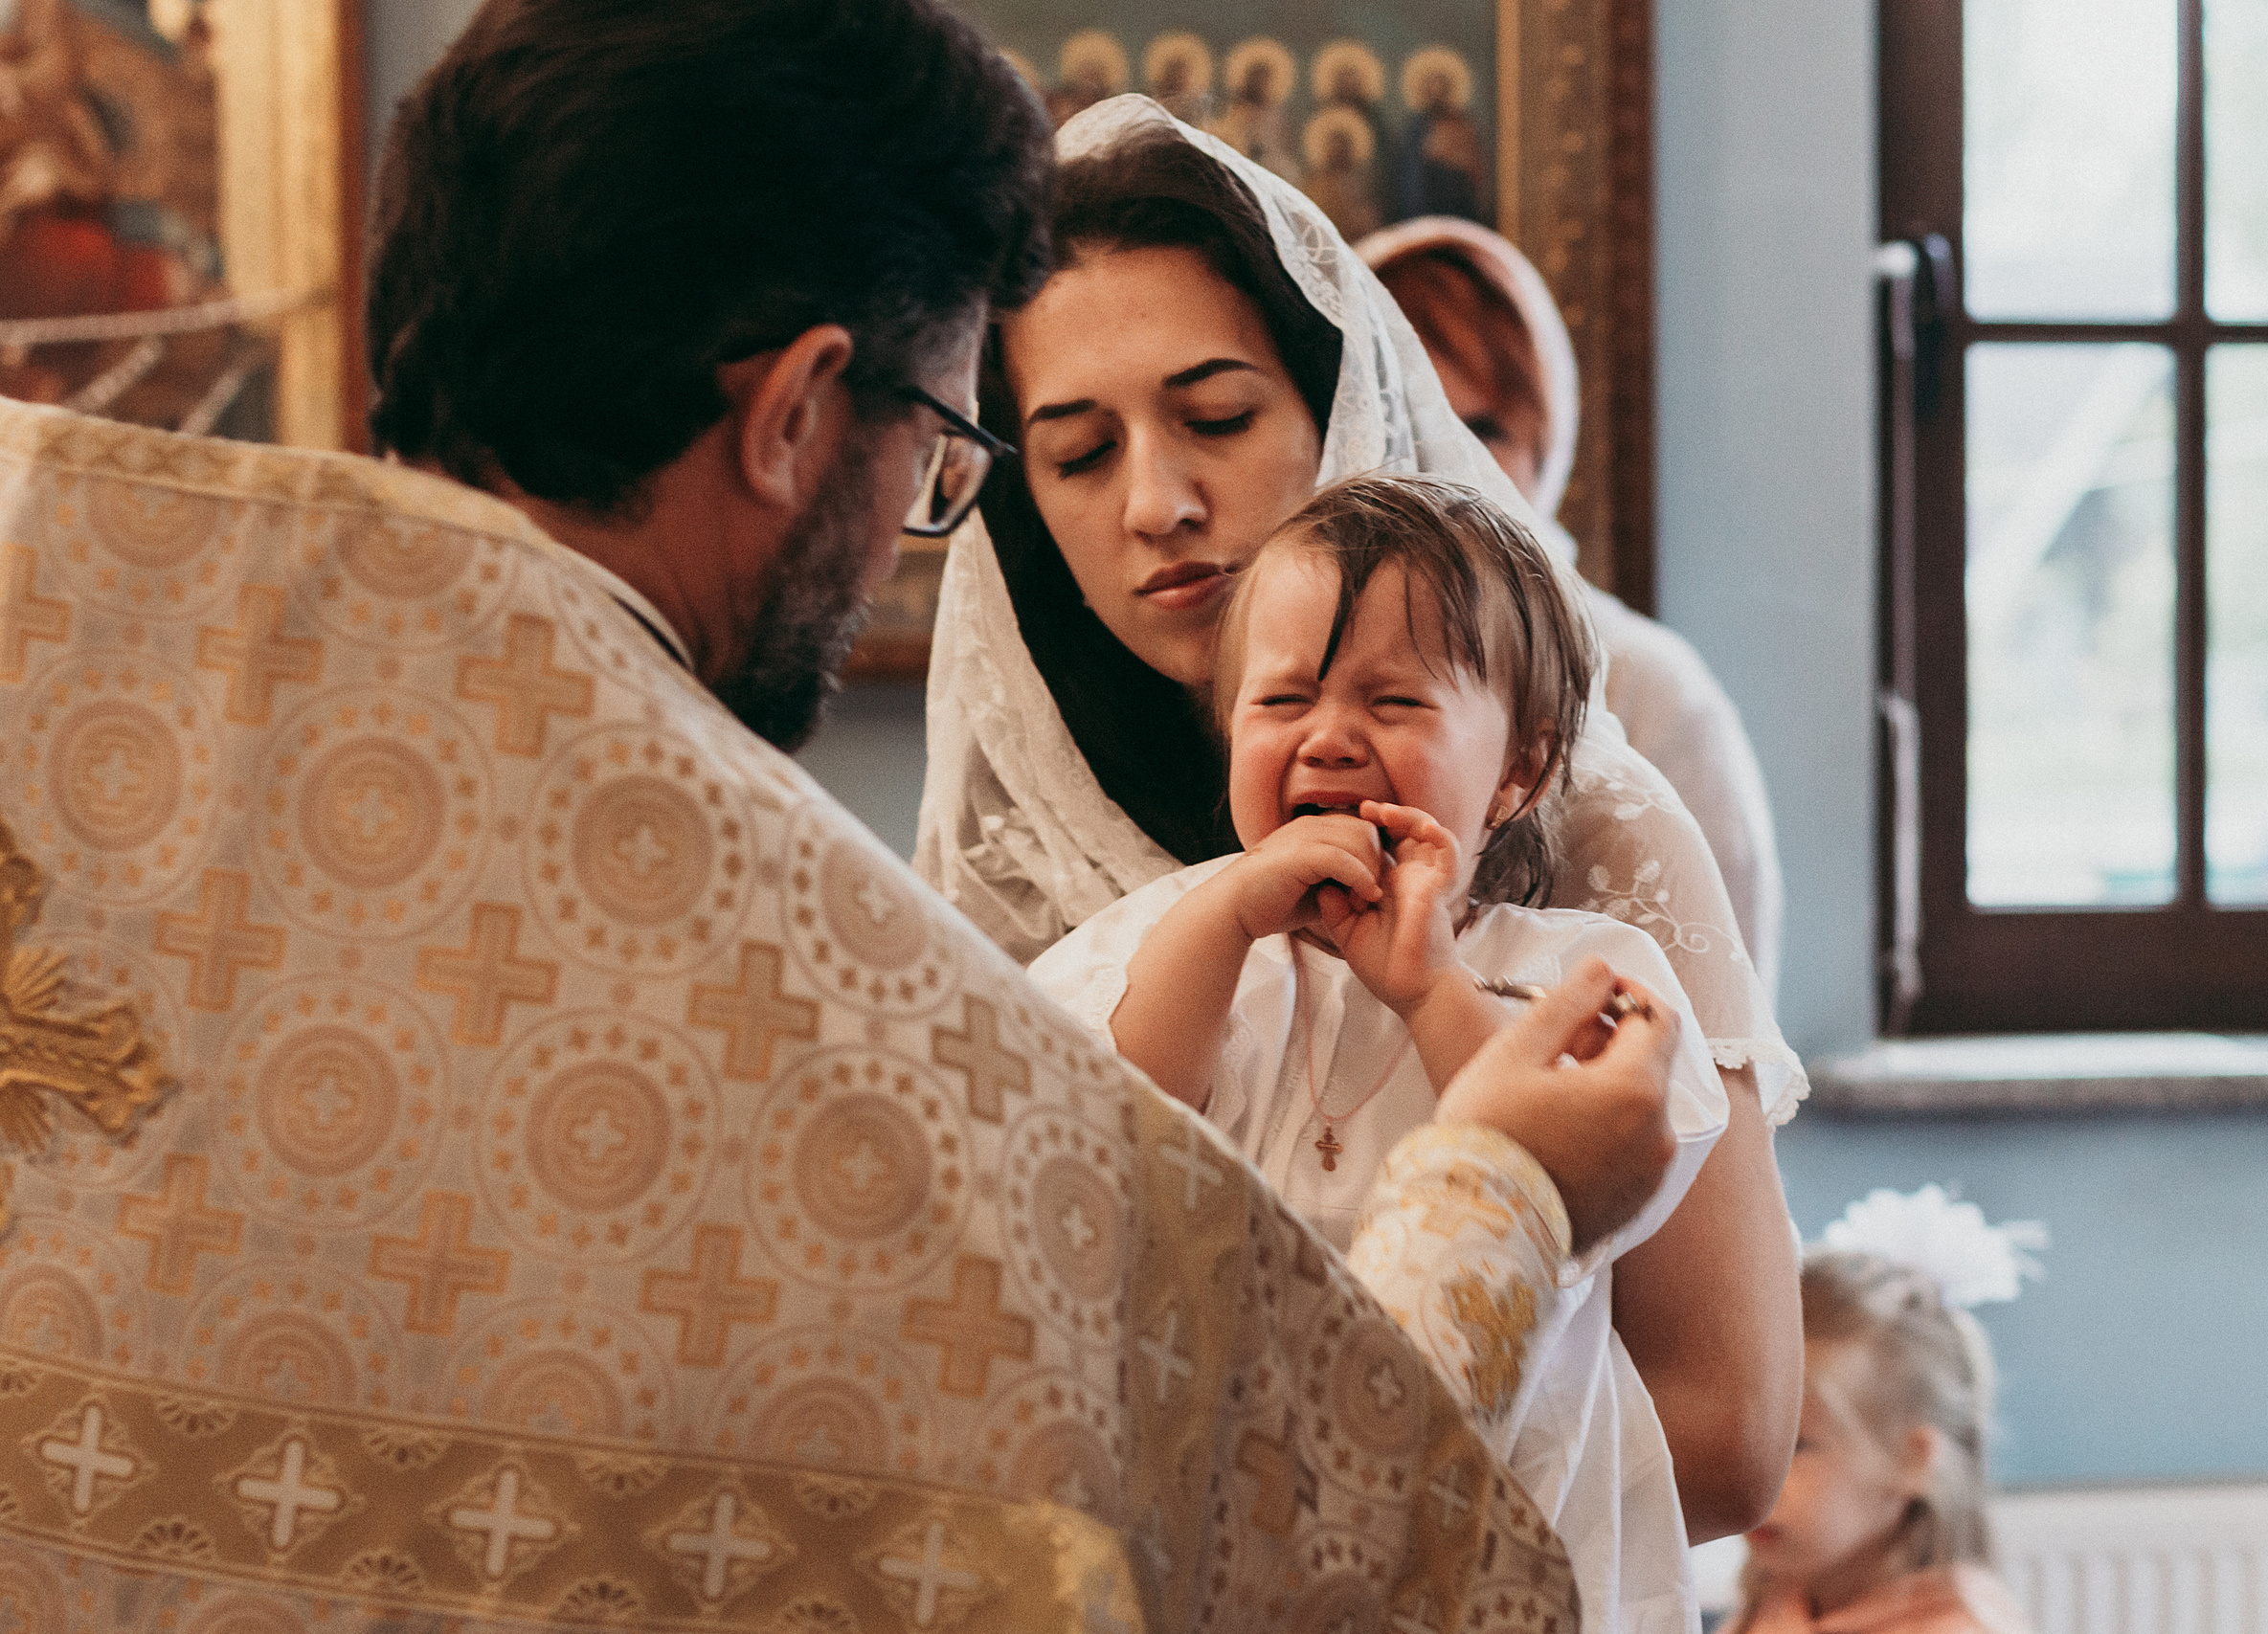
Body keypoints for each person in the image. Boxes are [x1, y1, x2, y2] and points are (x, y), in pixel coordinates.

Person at [0, 4, 1683, 1627]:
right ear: (799, 411)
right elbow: (1258, 1558)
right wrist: (1507, 1194)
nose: (914, 524)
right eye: (955, 440)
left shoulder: (64, 627)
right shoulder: (842, 1022)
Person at [918, 94, 1808, 1541]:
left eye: (1217, 416)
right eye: (1078, 454)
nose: (1157, 501)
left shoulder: (1597, 840)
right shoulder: (1020, 852)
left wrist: (1279, 1495)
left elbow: (1727, 1433)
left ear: (1340, 401)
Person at [1034, 474, 1730, 1631]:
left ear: (1519, 768)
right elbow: (1099, 1139)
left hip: (1507, 1524)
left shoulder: (1576, 968)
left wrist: (1429, 988)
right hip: (1235, 1529)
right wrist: (1218, 922)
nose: (1329, 737)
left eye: (1394, 701)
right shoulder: (1176, 939)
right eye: (1281, 701)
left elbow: (1587, 1162)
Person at [1358, 214, 1787, 996]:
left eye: (1484, 429)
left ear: (1545, 443)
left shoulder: (1648, 684)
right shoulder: (1302, 672)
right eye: (1409, 423)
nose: (1447, 465)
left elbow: (1731, 1018)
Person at [1731, 1192, 2044, 1634]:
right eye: (1744, 1440)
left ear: (1911, 1457)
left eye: (1796, 1446)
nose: (1749, 1477)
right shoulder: (1776, 1607)